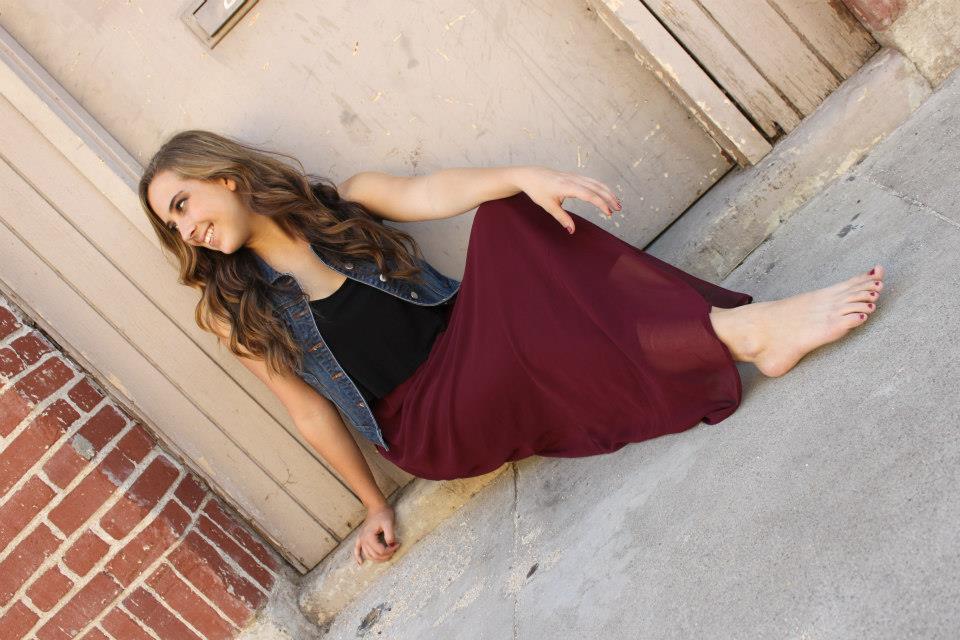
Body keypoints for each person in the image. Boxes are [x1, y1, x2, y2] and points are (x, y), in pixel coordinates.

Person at [139, 130, 884, 567]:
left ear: (226, 178)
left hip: (478, 340)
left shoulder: (346, 202)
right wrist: (372, 504)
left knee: (506, 215)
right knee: (547, 322)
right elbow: (310, 412)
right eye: (172, 226)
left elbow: (434, 193)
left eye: (183, 204)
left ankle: (744, 336)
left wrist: (528, 177)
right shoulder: (239, 314)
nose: (186, 229)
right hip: (433, 422)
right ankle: (744, 333)